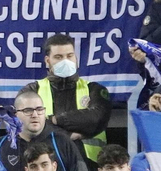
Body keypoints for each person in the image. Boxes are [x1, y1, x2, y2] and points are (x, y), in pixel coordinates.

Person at [36, 33, 110, 163]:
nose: (66, 61)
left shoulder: (95, 89)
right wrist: (69, 135)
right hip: (47, 167)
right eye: (58, 57)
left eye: (69, 56)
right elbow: (29, 125)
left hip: (91, 167)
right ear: (47, 61)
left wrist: (54, 119)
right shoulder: (32, 91)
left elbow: (96, 118)